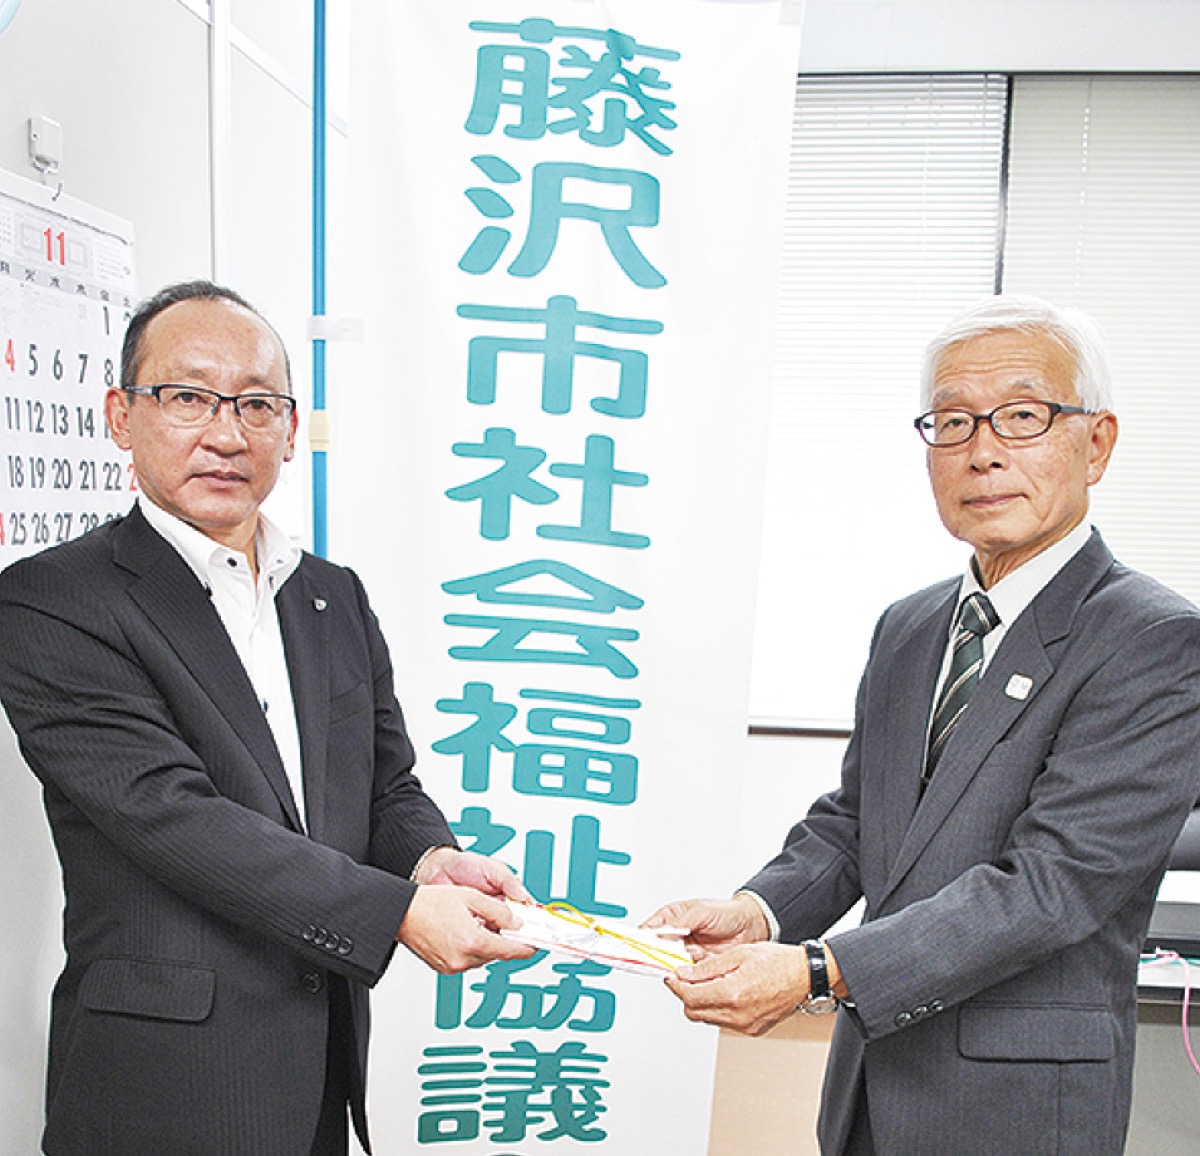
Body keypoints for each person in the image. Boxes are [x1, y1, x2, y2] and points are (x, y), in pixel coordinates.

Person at [646, 295, 1200, 1156]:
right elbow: (855, 822)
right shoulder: (909, 627)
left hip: (1019, 1106)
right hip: (871, 1083)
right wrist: (759, 912)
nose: (983, 451)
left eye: (1022, 416)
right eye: (952, 422)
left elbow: (1051, 886)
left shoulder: (1153, 639)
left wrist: (820, 971)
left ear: (1096, 443)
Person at [0, 280, 536, 1156]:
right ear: (121, 417)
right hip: (161, 1086)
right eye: (187, 397)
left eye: (256, 404)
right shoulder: (55, 600)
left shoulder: (332, 595)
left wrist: (432, 860)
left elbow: (385, 783)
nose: (226, 434)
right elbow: (174, 817)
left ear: (290, 432)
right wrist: (399, 912)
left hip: (319, 1066)